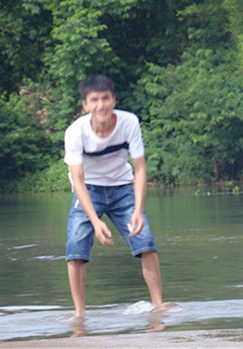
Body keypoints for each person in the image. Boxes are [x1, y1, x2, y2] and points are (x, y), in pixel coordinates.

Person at [64, 75, 165, 317]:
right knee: (76, 246)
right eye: (94, 100)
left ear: (114, 100)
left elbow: (140, 168)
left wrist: (138, 210)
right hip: (89, 189)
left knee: (146, 241)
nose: (101, 105)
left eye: (106, 98)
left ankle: (159, 306)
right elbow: (78, 180)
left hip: (122, 188)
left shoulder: (129, 122)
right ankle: (80, 314)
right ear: (85, 106)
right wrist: (95, 221)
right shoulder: (76, 131)